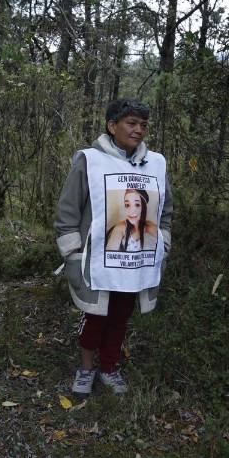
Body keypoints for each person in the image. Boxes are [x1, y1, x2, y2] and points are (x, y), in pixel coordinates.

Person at [55, 99, 173, 396]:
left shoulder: (156, 164)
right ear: (112, 125)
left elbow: (165, 210)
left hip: (137, 262)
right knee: (95, 316)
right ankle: (85, 369)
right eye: (131, 123)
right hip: (97, 260)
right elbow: (68, 209)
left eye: (143, 125)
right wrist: (71, 250)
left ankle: (108, 367)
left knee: (120, 317)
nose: (138, 130)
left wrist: (164, 241)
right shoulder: (90, 160)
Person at [105, 188, 159, 252]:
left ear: (143, 207)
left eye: (137, 205)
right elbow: (110, 255)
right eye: (127, 205)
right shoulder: (120, 228)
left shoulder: (149, 226)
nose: (131, 211)